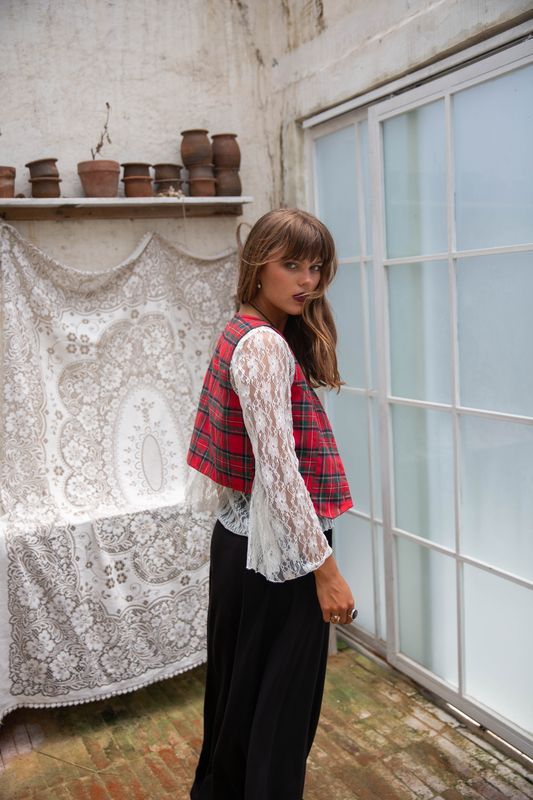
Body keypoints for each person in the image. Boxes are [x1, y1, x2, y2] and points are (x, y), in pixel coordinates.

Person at [187, 208, 356, 800]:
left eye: (316, 267)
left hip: (247, 546)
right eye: (292, 265)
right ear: (259, 266)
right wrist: (327, 573)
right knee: (278, 720)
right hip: (280, 558)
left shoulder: (245, 329)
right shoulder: (262, 346)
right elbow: (280, 475)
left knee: (241, 706)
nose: (308, 281)